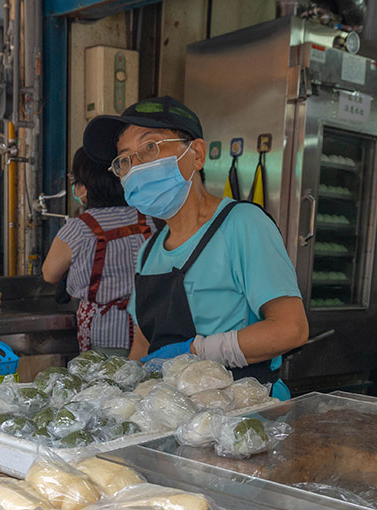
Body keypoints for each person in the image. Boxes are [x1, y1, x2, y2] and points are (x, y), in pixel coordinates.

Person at [83, 96, 308, 399]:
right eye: (125, 159)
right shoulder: (149, 251)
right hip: (168, 415)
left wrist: (198, 351)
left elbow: (290, 328)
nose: (135, 167)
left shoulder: (242, 224)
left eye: (149, 147)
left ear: (197, 154)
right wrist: (127, 394)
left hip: (243, 411)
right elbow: (142, 347)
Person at [42, 148, 151, 354]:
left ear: (86, 185)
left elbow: (49, 274)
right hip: (148, 328)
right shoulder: (150, 218)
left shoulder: (80, 227)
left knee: (105, 384)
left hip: (104, 331)